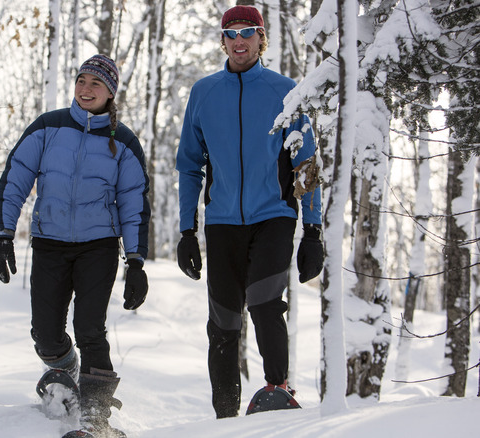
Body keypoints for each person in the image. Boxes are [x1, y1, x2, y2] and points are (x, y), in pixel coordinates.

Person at [0, 54, 150, 437]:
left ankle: (96, 418)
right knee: (45, 332)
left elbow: (133, 203)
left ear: (110, 92)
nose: (85, 89)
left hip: (99, 246)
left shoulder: (122, 141)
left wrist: (136, 261)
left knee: (90, 327)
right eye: (81, 80)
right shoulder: (48, 127)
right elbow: (14, 182)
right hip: (49, 243)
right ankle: (68, 369)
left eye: (95, 83)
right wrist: (3, 236)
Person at [175, 5, 324, 418]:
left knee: (263, 302)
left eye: (248, 32)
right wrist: (187, 230)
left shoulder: (285, 90)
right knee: (223, 322)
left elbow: (306, 163)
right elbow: (189, 164)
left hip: (274, 215)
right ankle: (225, 418)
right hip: (222, 222)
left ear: (262, 38)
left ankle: (278, 388)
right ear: (222, 41)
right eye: (231, 33)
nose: (239, 40)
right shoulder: (204, 92)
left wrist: (313, 232)